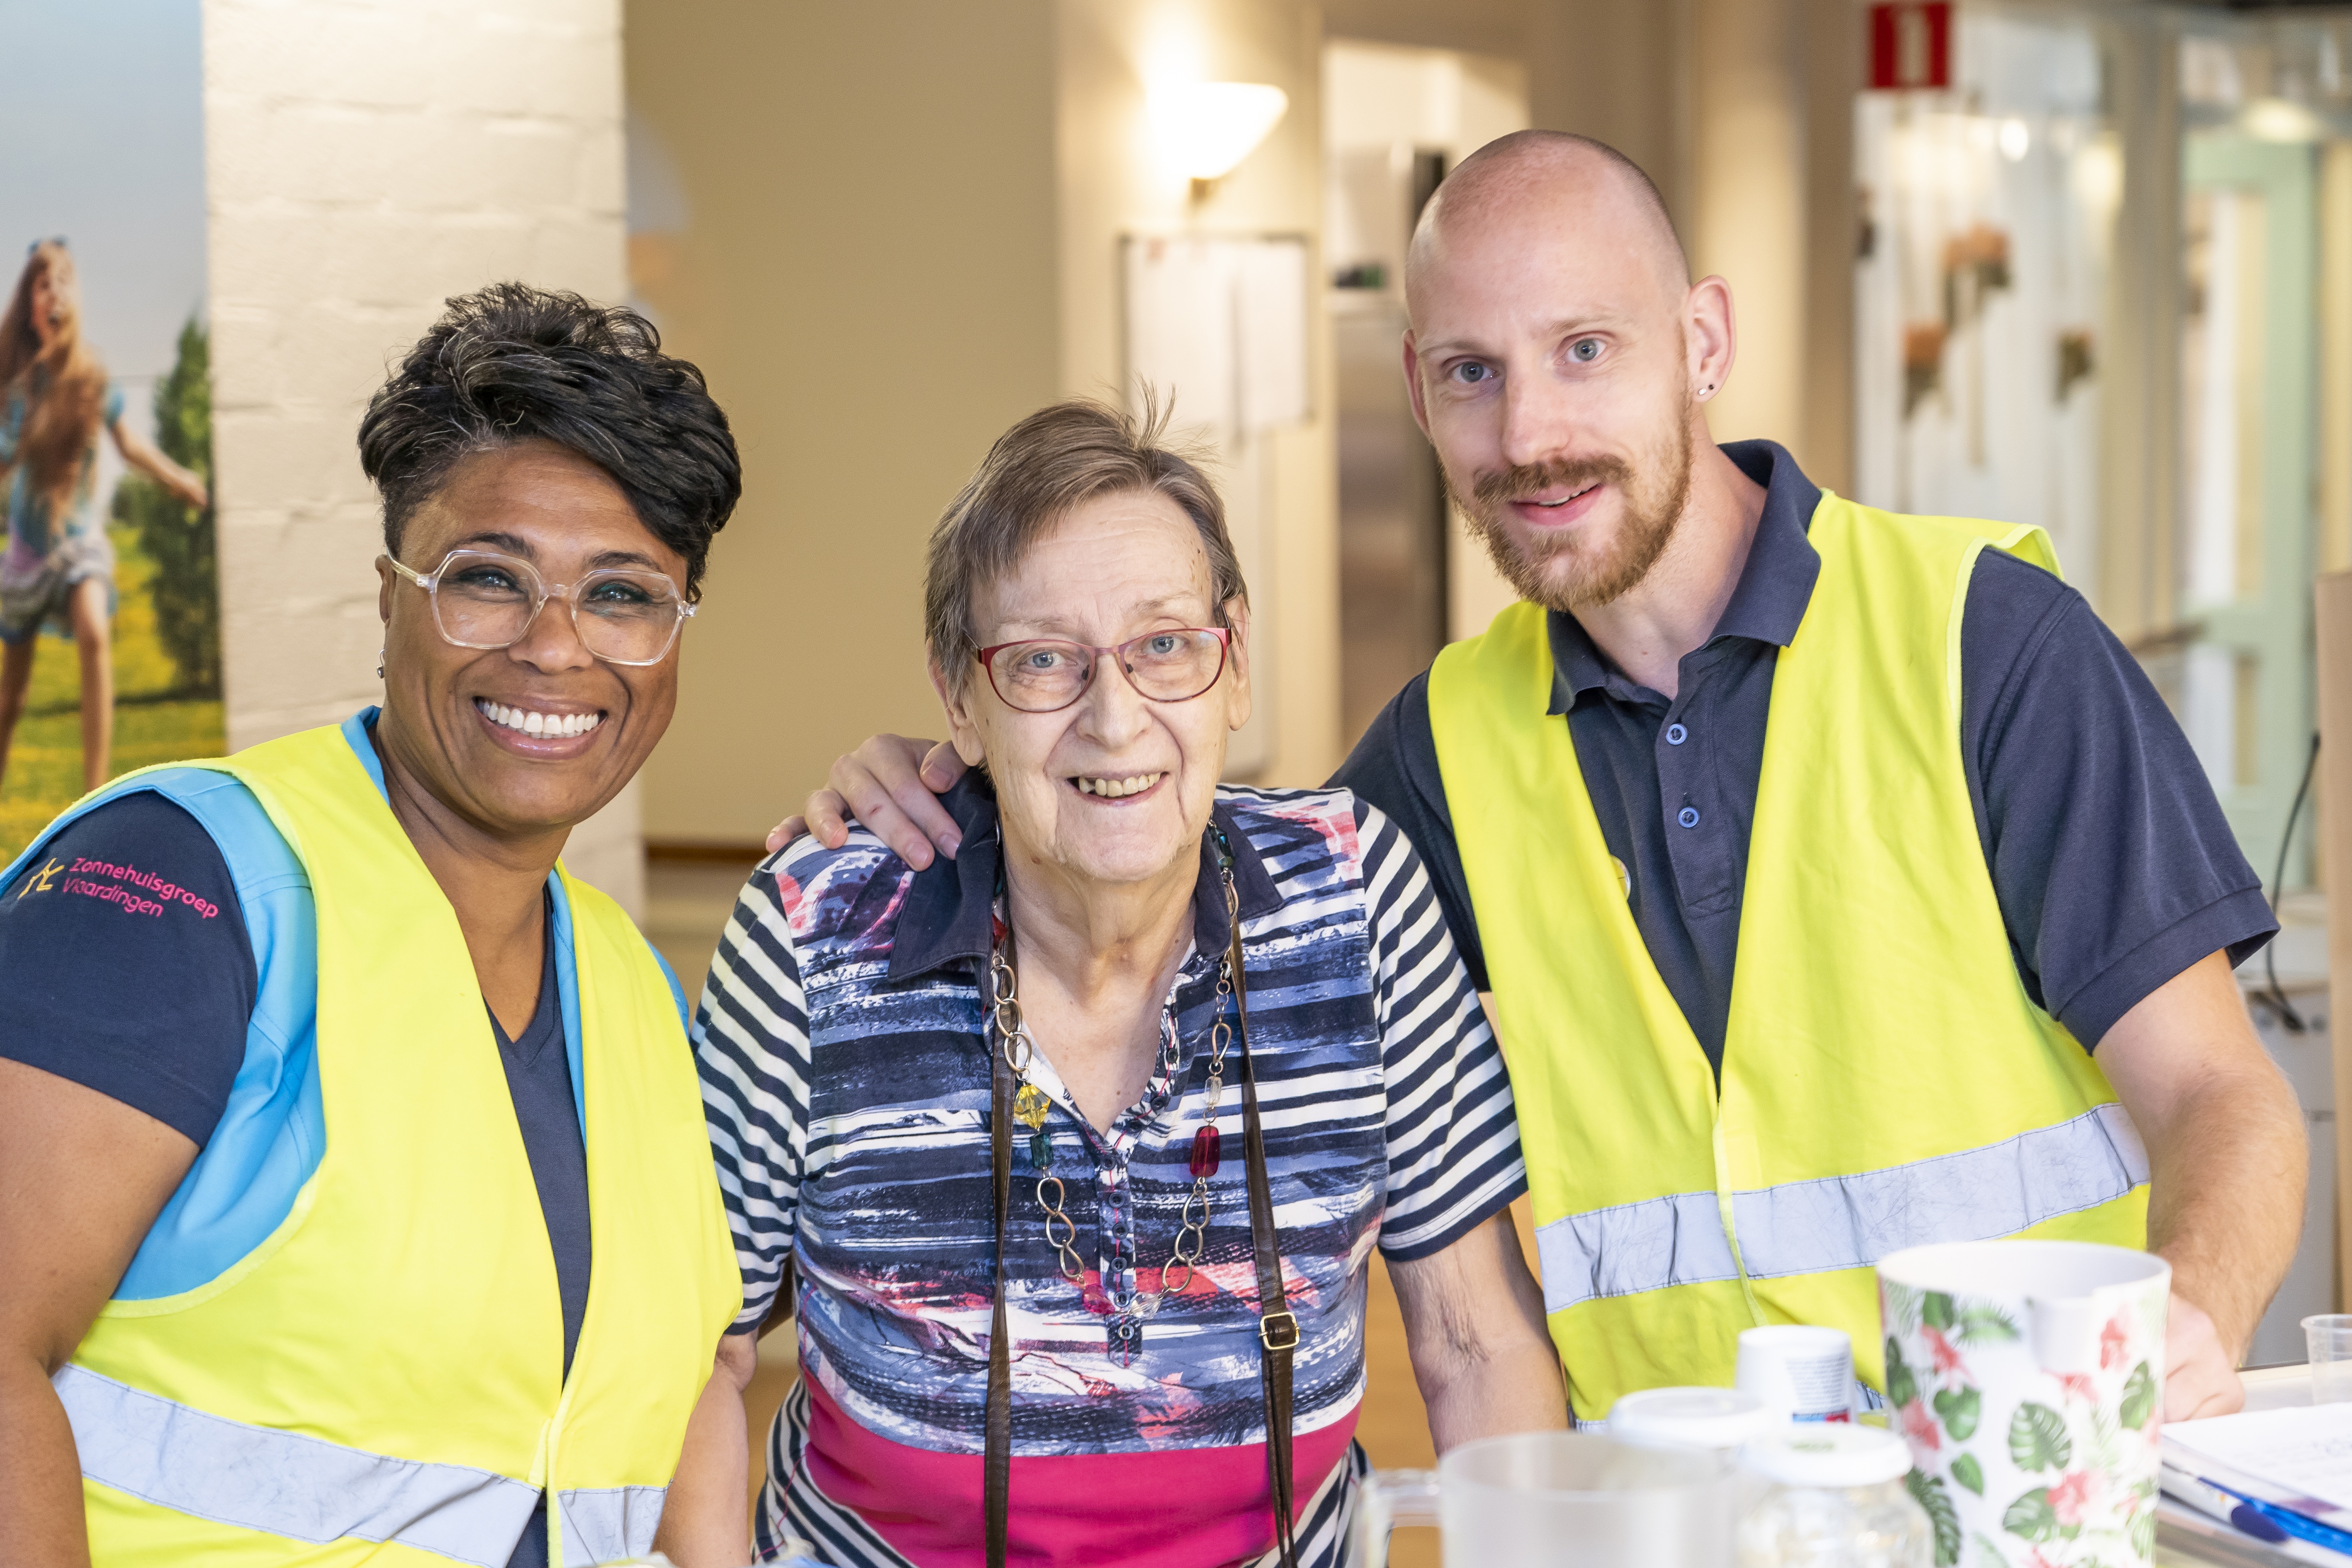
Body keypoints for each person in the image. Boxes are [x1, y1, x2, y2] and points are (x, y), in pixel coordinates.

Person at [777, 132, 2308, 1427]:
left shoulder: (1983, 641)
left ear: (1702, 343)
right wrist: (953, 784)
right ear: (1419, 390)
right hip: (1682, 1521)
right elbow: (1169, 851)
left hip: (2007, 1497)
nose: (1531, 434)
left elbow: (2222, 1099)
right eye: (1471, 374)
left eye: (1585, 350)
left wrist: (2186, 1326)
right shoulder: (1442, 750)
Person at [681, 400, 1563, 1568]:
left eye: (1162, 645)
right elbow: (700, 1351)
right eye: (1042, 661)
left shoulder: (1353, 900)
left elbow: (1473, 1341)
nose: (1114, 718)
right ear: (961, 699)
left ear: (1232, 664)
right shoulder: (817, 933)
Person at [0, 283, 750, 1568]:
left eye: (622, 594)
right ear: (391, 596)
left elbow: (679, 1405)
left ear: (675, 633)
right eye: (487, 580)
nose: (555, 648)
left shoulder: (630, 986)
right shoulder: (185, 886)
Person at [0, 239, 210, 793]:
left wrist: (177, 478)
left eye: (64, 281)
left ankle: (93, 792)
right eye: (44, 283)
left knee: (94, 629)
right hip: (26, 551)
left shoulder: (91, 375)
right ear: (30, 303)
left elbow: (128, 444)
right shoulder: (19, 384)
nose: (55, 292)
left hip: (78, 542)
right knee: (9, 701)